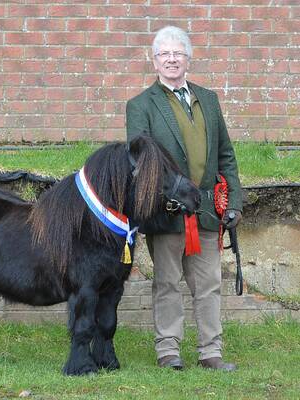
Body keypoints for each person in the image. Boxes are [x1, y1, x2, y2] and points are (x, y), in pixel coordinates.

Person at [126, 26, 242, 371]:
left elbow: (226, 156)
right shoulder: (140, 106)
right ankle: (168, 352)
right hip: (167, 212)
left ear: (188, 58)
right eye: (164, 54)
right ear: (155, 61)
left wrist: (233, 201)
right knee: (166, 284)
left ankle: (211, 352)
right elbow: (140, 162)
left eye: (178, 53)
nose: (172, 59)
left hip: (207, 210)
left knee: (208, 286)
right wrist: (169, 194)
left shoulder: (208, 99)